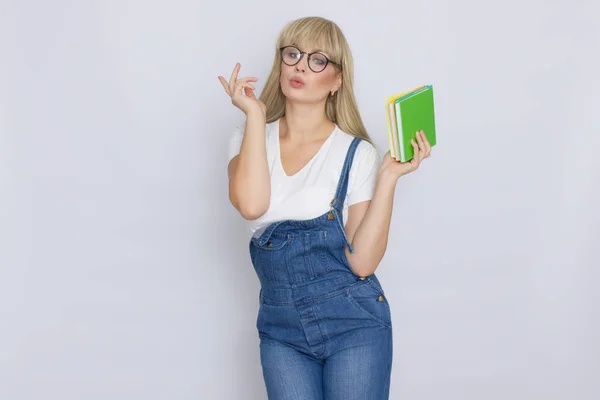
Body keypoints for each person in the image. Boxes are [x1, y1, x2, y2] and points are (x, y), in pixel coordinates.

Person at [218, 16, 431, 400]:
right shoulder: (247, 135)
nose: (301, 65)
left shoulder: (357, 153)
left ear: (337, 80)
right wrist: (254, 115)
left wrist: (388, 178)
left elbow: (362, 263)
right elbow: (251, 205)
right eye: (293, 54)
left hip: (354, 325)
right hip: (281, 330)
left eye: (319, 60)